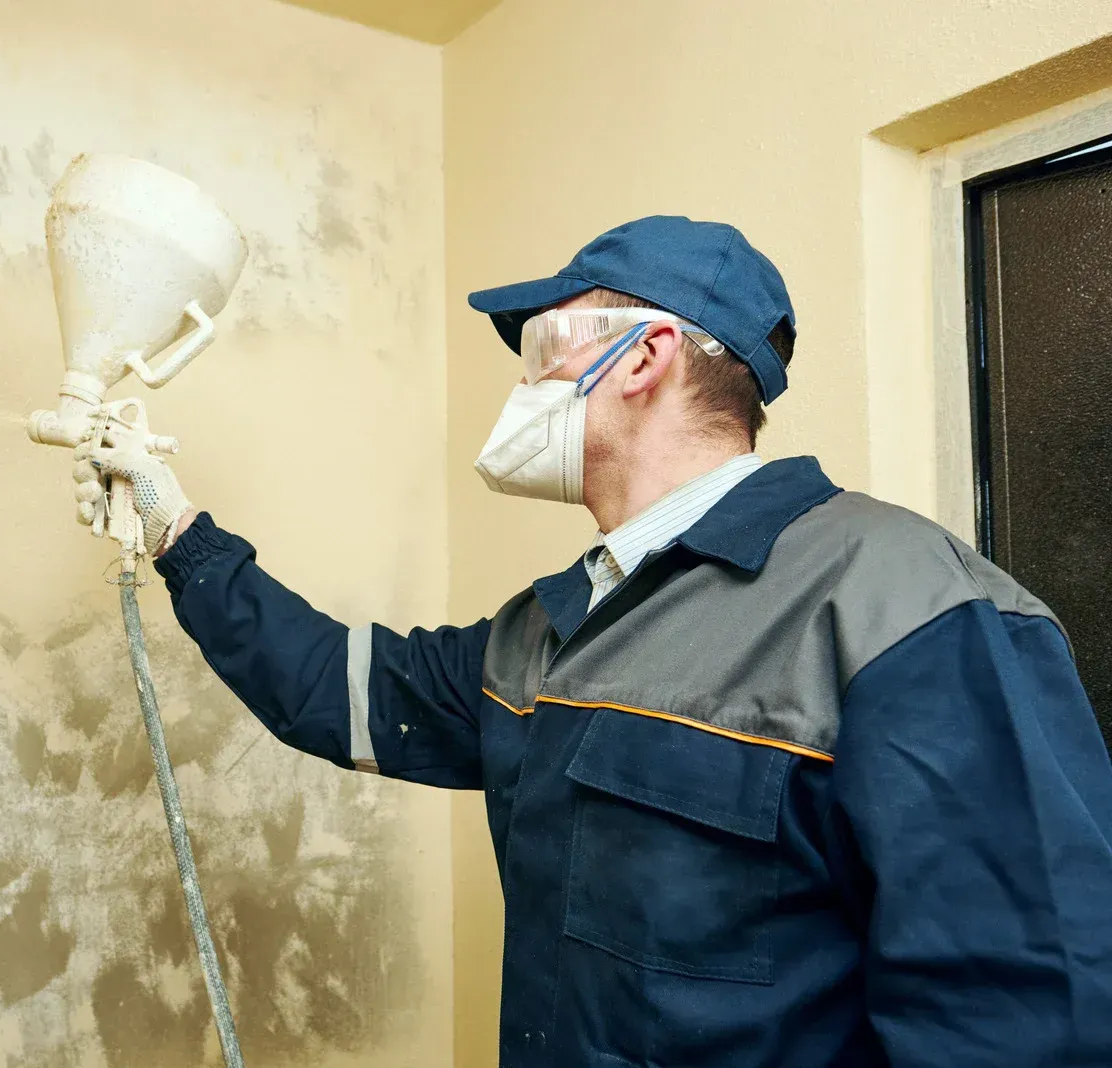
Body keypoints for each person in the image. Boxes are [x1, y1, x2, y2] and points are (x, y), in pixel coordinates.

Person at [76, 216, 1112, 1067]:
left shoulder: (910, 611)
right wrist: (179, 533)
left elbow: (1028, 1022)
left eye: (541, 349)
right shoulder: (554, 623)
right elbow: (340, 689)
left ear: (646, 357)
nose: (521, 388)